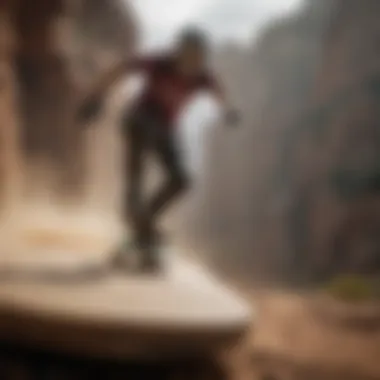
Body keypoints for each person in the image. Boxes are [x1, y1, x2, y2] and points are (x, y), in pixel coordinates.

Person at [77, 28, 240, 272]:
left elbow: (219, 92)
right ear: (178, 53)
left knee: (182, 180)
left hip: (166, 128)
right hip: (139, 120)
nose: (191, 64)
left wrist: (227, 110)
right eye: (188, 56)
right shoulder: (160, 64)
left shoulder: (203, 78)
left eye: (197, 59)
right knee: (138, 167)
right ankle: (139, 217)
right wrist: (95, 97)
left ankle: (143, 224)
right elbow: (122, 68)